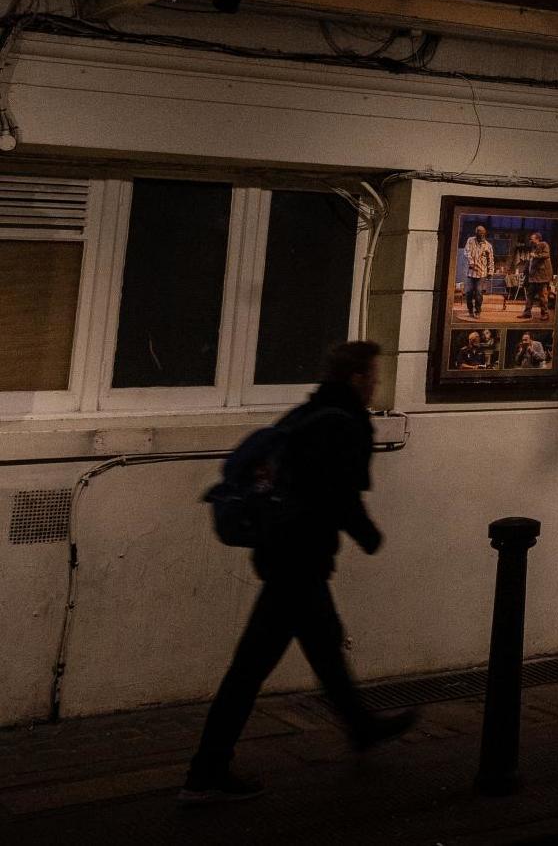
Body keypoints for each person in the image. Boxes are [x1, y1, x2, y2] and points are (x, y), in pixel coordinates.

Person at [181, 341, 414, 803]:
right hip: (298, 561)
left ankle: (361, 726)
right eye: (373, 376)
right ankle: (205, 774)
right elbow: (338, 494)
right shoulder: (342, 424)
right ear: (356, 379)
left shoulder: (307, 414)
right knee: (249, 670)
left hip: (284, 553)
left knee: (324, 643)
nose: (376, 385)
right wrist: (368, 536)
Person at [459, 224, 493, 319]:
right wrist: (471, 262)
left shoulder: (488, 245)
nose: (481, 235)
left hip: (482, 273)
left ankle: (477, 311)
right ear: (476, 233)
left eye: (483, 234)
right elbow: (466, 251)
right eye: (479, 233)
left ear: (484, 234)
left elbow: (491, 260)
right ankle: (470, 310)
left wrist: (490, 272)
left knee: (478, 292)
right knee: (469, 292)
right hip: (470, 273)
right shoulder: (470, 240)